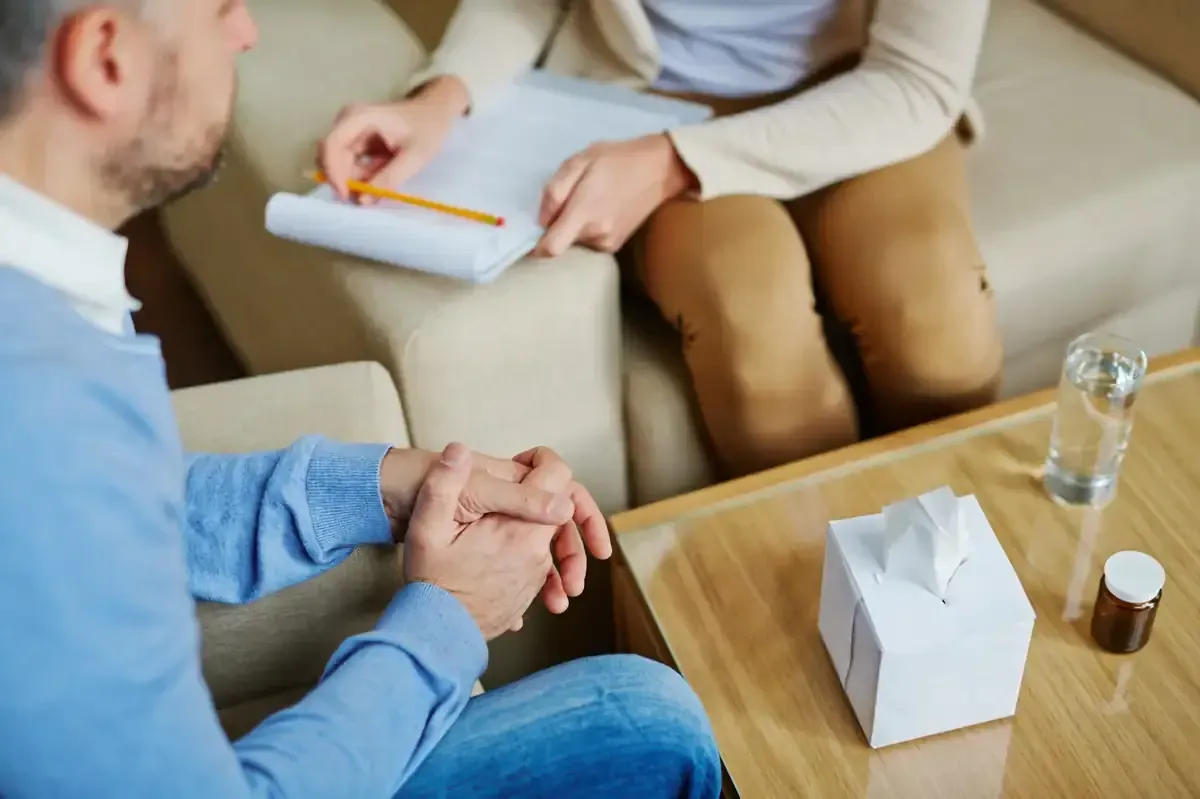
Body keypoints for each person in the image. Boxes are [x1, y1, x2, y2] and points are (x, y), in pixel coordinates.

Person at [0, 1, 721, 797]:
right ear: (106, 57)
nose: (246, 32)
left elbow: (131, 507)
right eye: (221, 9)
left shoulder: (40, 316)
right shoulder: (45, 421)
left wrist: (385, 486)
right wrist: (448, 617)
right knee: (653, 731)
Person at [319, 0, 1004, 479]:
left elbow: (917, 79)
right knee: (751, 316)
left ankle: (961, 582)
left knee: (935, 310)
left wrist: (676, 160)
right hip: (652, 101)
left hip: (861, 93)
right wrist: (440, 98)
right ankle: (813, 595)